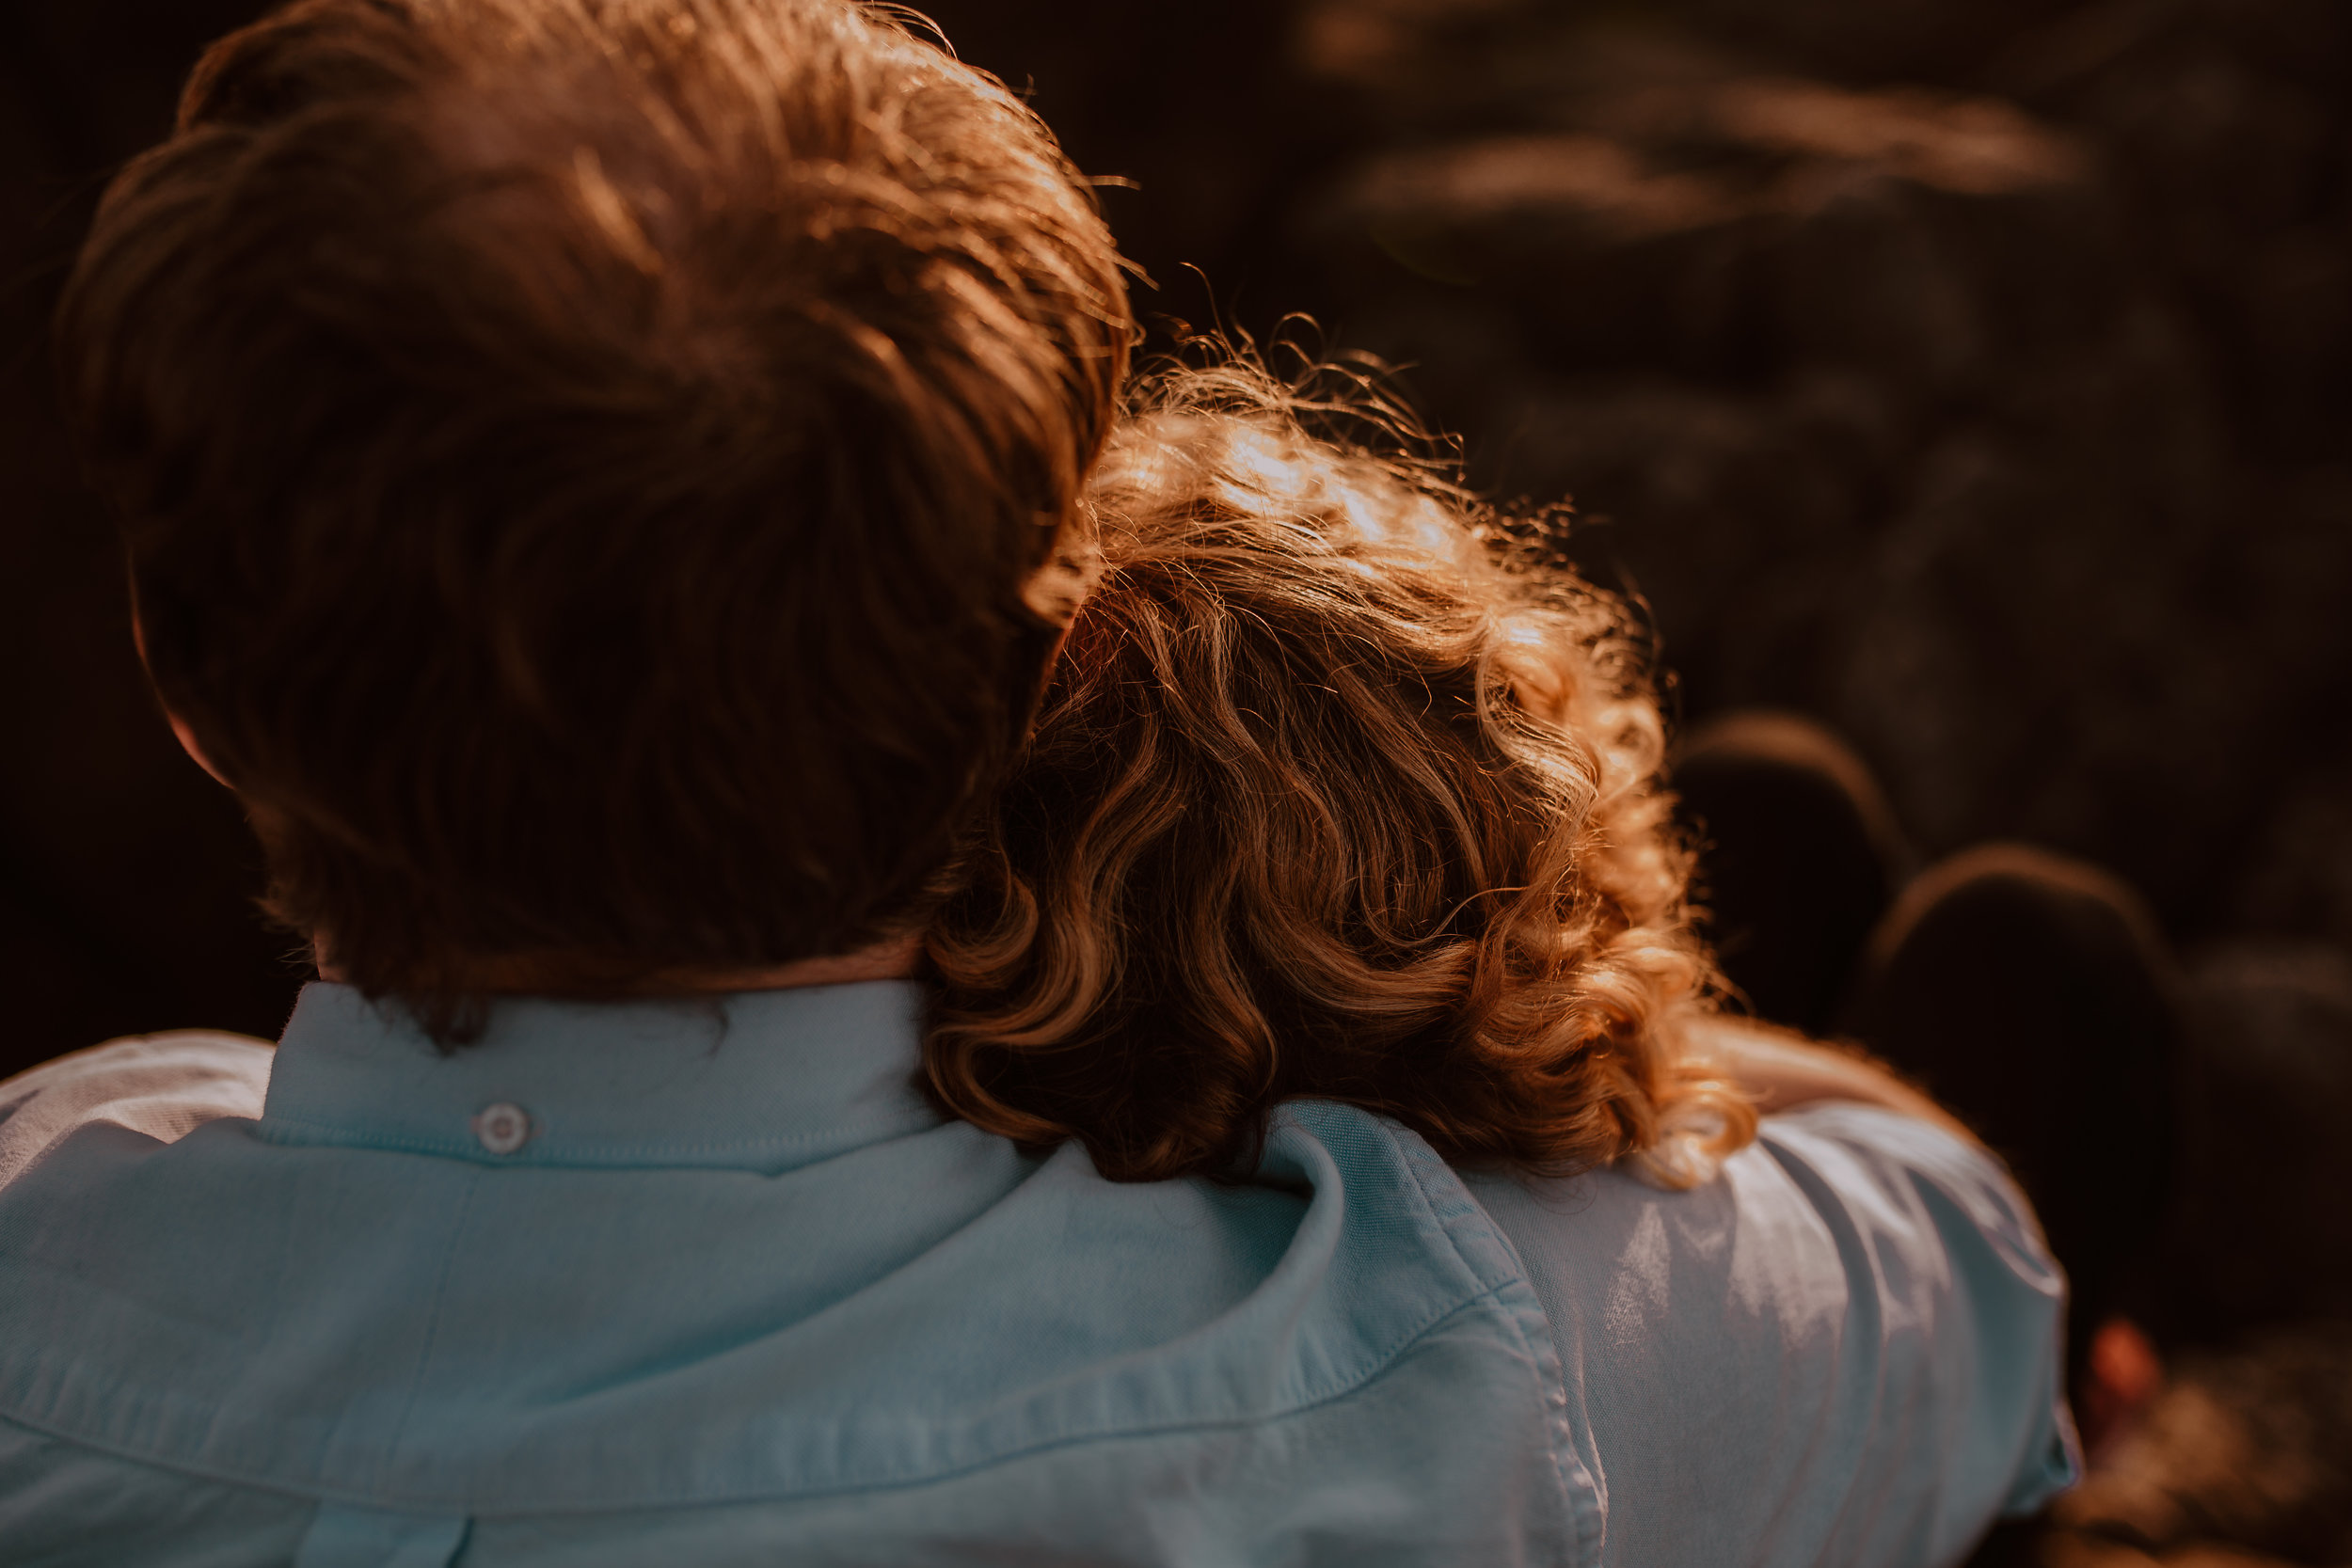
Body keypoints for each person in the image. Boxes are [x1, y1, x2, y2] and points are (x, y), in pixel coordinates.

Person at [0, 1, 2069, 1562]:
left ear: (184, 687)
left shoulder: (48, 1245)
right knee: (1994, 959)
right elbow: (1970, 1267)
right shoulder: (1423, 1357)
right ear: (1069, 658)